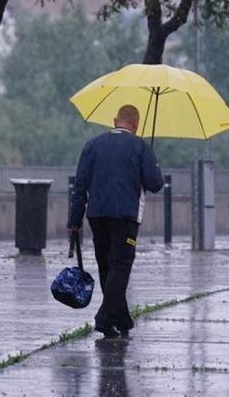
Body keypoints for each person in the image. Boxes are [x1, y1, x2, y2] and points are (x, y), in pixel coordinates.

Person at [68, 104, 164, 339]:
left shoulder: (92, 145)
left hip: (97, 215)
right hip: (126, 217)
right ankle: (103, 318)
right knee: (120, 267)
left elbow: (79, 185)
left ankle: (121, 320)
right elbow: (155, 184)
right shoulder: (141, 147)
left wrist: (74, 220)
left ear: (114, 120)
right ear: (137, 124)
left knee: (107, 267)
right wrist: (151, 161)